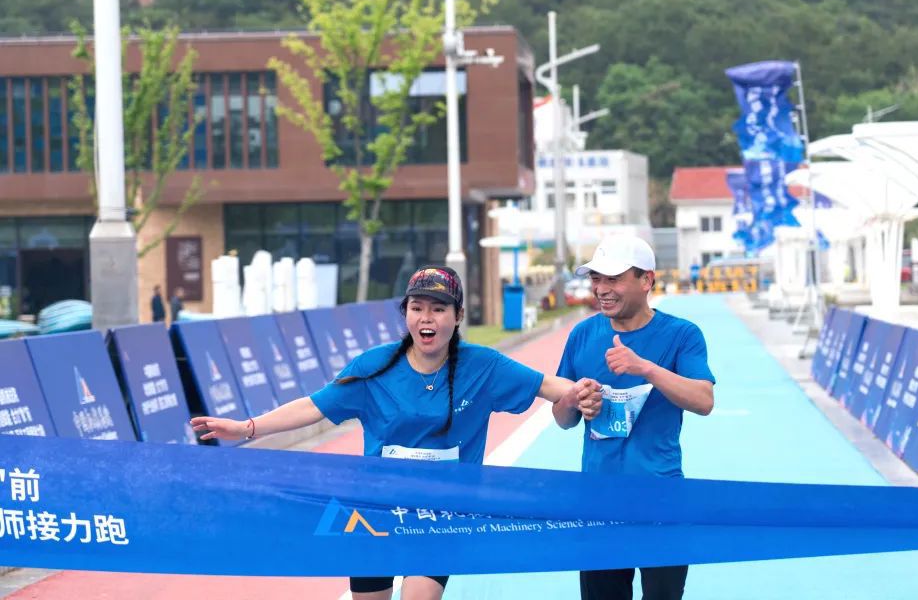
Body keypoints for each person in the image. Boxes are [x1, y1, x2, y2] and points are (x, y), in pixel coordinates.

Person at [191, 264, 603, 600]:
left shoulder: (484, 366)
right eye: (417, 307)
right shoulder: (375, 366)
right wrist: (246, 427)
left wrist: (583, 394)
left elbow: (550, 387)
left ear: (458, 316)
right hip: (376, 510)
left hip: (441, 512)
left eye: (439, 309)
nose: (427, 317)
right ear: (406, 314)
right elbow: (314, 406)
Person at [552, 235, 715, 600]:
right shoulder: (582, 335)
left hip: (662, 499)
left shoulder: (682, 334)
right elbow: (562, 418)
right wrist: (574, 400)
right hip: (598, 502)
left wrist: (645, 368)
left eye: (613, 278)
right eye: (597, 278)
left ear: (646, 280)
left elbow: (704, 400)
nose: (601, 289)